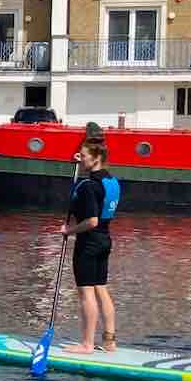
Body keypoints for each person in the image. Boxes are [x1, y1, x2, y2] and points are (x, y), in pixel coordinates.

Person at [61, 137, 120, 354]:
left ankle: (87, 344)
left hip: (88, 243)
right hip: (105, 240)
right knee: (101, 289)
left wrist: (69, 231)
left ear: (96, 158)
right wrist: (78, 164)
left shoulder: (89, 186)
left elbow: (92, 220)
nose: (82, 158)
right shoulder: (113, 182)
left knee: (86, 294)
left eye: (84, 156)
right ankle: (109, 341)